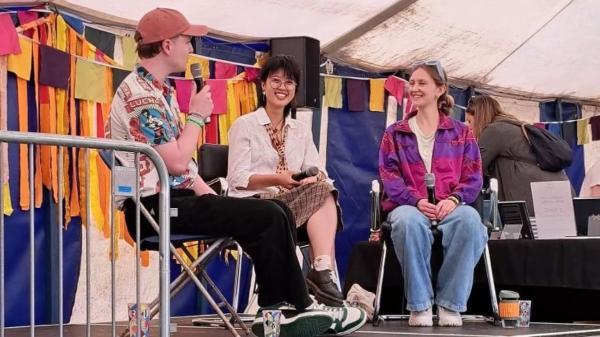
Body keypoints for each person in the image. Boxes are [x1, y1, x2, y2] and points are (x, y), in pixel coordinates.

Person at [107, 8, 365, 337]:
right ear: (167, 45)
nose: (191, 47)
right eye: (187, 40)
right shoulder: (142, 97)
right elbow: (173, 162)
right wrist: (198, 117)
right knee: (268, 214)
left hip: (176, 198)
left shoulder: (161, 91)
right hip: (153, 208)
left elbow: (182, 169)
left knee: (274, 209)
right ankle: (296, 306)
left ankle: (278, 311)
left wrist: (212, 197)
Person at [227, 55, 345, 307]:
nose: (282, 87)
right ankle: (321, 276)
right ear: (263, 85)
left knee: (324, 188)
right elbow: (237, 179)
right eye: (276, 80)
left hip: (290, 204)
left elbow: (319, 171)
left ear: (296, 89)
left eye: (289, 82)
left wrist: (309, 178)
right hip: (255, 206)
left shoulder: (300, 130)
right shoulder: (244, 125)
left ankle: (322, 270)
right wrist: (277, 178)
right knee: (322, 193)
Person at [376, 60, 487, 327]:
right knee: (407, 222)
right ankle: (420, 305)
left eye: (421, 83)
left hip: (451, 204)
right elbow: (389, 176)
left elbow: (473, 176)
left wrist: (453, 200)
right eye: (411, 83)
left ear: (440, 89)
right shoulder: (394, 134)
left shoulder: (462, 133)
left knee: (470, 222)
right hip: (409, 205)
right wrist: (416, 200)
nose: (414, 88)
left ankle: (450, 304)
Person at [465, 95, 571, 215]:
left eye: (469, 121)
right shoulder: (514, 126)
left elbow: (471, 169)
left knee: (519, 232)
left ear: (480, 117)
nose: (468, 127)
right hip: (560, 193)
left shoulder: (495, 131)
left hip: (540, 201)